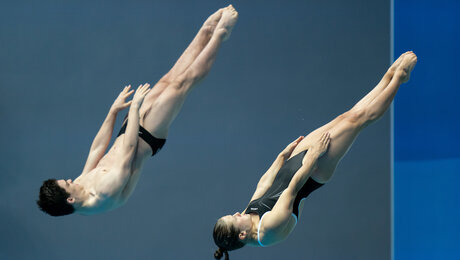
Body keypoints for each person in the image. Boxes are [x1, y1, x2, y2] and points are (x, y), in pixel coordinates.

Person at [37, 5, 239, 216]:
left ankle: (206, 30)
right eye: (68, 184)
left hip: (129, 130)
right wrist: (134, 108)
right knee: (181, 84)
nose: (71, 180)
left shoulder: (79, 187)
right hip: (147, 139)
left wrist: (112, 112)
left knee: (167, 79)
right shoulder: (103, 193)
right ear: (70, 199)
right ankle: (220, 35)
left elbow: (97, 149)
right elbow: (128, 150)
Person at [213, 51, 417, 259]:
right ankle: (399, 77)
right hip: (312, 173)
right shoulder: (268, 231)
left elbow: (263, 185)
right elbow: (292, 190)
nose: (237, 213)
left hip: (294, 164)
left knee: (346, 116)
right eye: (233, 217)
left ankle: (388, 76)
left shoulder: (247, 216)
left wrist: (281, 157)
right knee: (357, 122)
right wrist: (311, 160)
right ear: (242, 234)